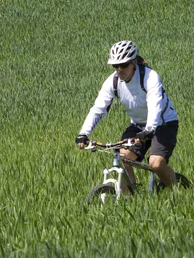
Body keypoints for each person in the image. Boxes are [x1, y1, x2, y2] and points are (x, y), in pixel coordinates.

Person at [75, 40, 179, 190]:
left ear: (134, 62)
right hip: (138, 124)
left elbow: (154, 105)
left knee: (156, 163)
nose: (119, 69)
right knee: (123, 157)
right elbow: (98, 108)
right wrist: (83, 133)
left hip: (164, 123)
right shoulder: (113, 82)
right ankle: (130, 198)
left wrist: (149, 130)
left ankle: (176, 192)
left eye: (123, 65)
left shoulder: (150, 77)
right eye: (115, 66)